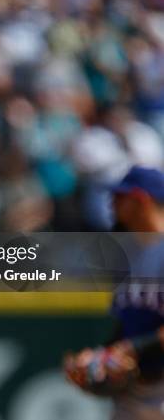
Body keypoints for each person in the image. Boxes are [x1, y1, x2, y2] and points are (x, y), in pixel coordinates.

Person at [65, 166, 164, 420]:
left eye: (120, 197)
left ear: (141, 199)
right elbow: (127, 325)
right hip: (134, 393)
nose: (111, 203)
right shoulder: (126, 255)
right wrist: (99, 359)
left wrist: (131, 349)